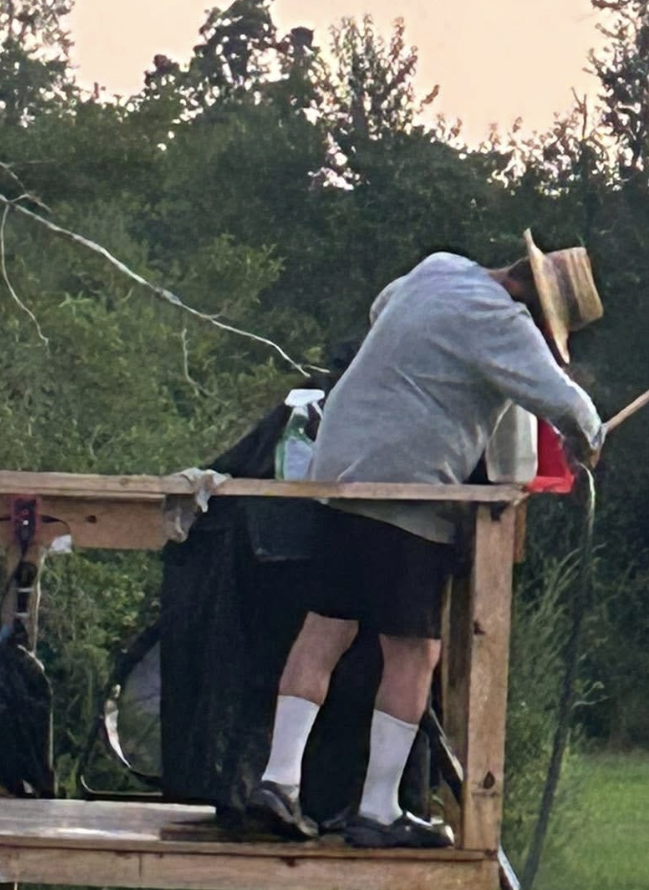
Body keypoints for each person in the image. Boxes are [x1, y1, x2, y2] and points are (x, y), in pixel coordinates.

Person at [250, 235, 605, 849]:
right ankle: (379, 809)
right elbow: (562, 400)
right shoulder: (501, 319)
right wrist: (591, 438)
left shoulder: (438, 269)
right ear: (538, 306)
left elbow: (379, 310)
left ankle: (279, 781)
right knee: (414, 652)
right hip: (407, 487)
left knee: (325, 629)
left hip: (337, 474)